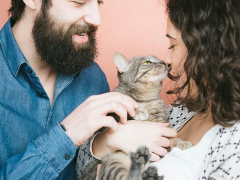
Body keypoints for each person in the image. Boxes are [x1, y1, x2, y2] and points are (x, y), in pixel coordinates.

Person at [0, 0, 177, 179]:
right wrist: (66, 136)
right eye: (79, 2)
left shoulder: (94, 78)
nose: (96, 19)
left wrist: (104, 142)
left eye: (98, 2)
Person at [77, 0, 240, 179]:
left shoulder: (233, 142)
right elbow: (80, 170)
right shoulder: (181, 109)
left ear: (208, 50)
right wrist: (107, 140)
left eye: (172, 45)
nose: (166, 59)